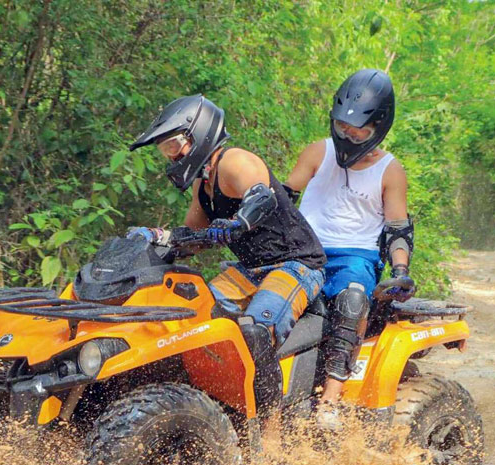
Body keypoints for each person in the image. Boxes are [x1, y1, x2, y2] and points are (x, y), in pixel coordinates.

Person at [127, 94, 326, 419]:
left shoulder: (235, 163)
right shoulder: (203, 185)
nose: (171, 156)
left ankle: (271, 433)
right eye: (165, 150)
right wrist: (157, 237)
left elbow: (263, 198)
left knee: (254, 332)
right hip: (248, 269)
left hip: (295, 264)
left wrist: (238, 222)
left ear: (199, 133)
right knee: (191, 316)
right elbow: (191, 237)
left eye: (174, 145)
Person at [285, 69, 414, 425]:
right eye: (343, 127)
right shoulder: (317, 152)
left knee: (353, 300)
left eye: (360, 131)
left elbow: (398, 229)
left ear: (380, 127)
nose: (350, 136)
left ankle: (330, 400)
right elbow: (284, 198)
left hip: (355, 257)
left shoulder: (390, 170)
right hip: (303, 250)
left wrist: (400, 271)